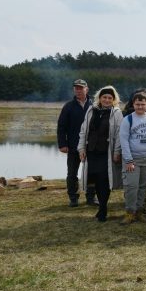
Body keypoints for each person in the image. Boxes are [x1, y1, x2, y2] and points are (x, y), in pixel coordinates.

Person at [77, 85, 123, 222]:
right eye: (104, 97)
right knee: (96, 180)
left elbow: (120, 134)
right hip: (92, 151)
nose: (107, 100)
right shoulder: (91, 110)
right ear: (100, 98)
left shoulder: (116, 113)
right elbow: (83, 131)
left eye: (110, 98)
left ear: (114, 99)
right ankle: (102, 207)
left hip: (106, 153)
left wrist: (117, 152)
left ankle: (103, 209)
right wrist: (81, 149)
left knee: (104, 180)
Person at [118, 92, 146, 225]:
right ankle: (129, 213)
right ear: (133, 104)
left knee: (143, 186)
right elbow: (124, 140)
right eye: (137, 104)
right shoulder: (128, 119)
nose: (140, 107)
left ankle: (139, 211)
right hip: (132, 159)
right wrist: (128, 160)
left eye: (143, 104)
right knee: (131, 186)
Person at [57, 79, 94, 207]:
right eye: (76, 88)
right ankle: (73, 198)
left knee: (91, 172)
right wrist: (62, 144)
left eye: (81, 88)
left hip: (91, 146)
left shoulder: (94, 105)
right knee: (72, 173)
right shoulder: (68, 106)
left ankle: (91, 197)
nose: (78, 90)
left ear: (86, 89)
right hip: (73, 146)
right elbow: (61, 127)